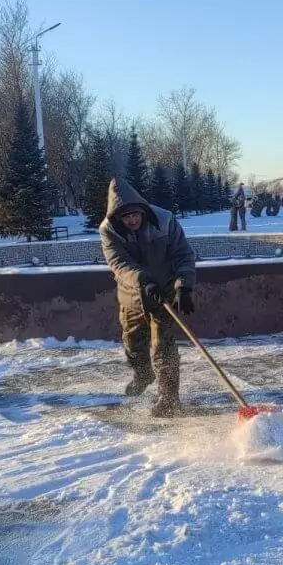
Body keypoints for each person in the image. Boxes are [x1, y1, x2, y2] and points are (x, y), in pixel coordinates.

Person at [99, 177, 197, 417]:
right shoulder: (108, 230)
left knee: (163, 347)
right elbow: (119, 263)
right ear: (118, 218)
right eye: (126, 217)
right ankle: (143, 374)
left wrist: (183, 286)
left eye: (135, 214)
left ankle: (168, 398)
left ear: (143, 211)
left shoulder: (164, 221)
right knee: (133, 343)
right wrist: (143, 280)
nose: (132, 220)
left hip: (163, 293)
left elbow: (183, 255)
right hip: (132, 295)